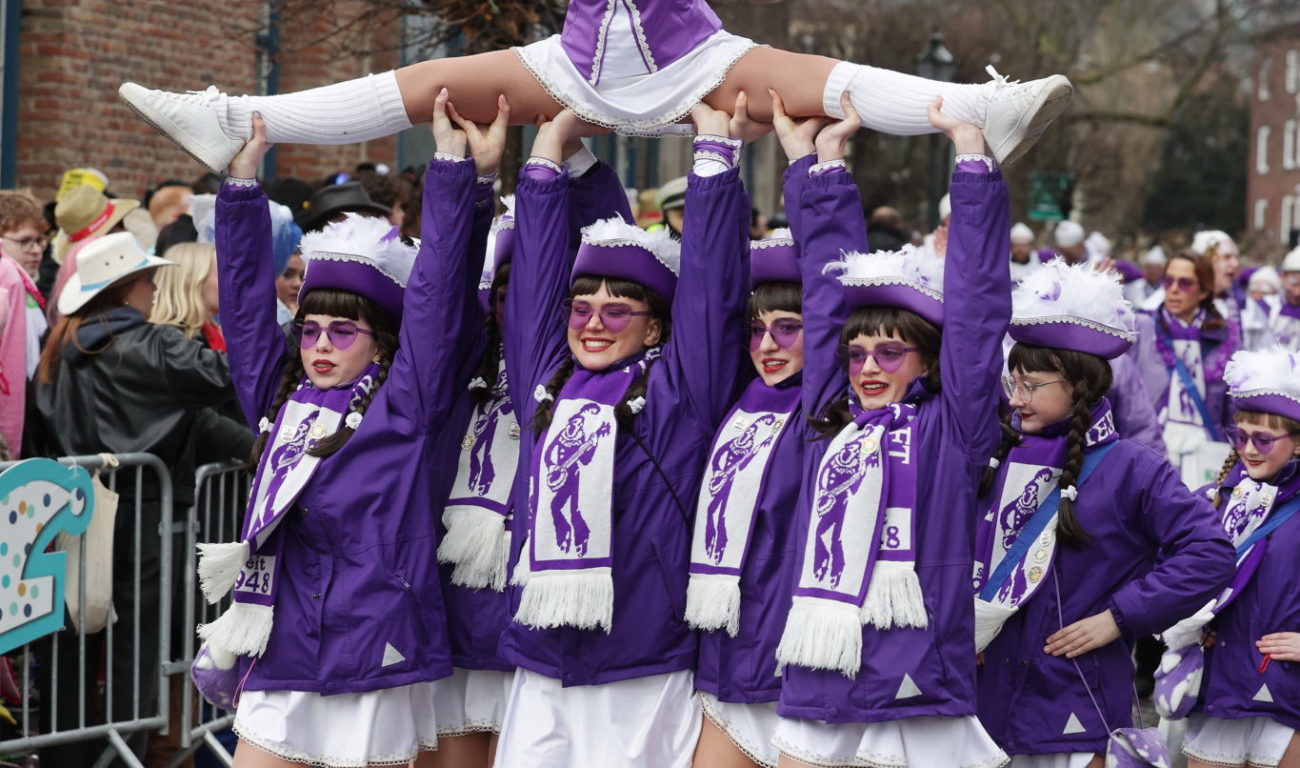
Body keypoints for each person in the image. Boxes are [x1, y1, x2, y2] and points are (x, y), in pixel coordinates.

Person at [190, 102, 506, 766]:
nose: (320, 346)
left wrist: (451, 169)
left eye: (343, 331)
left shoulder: (407, 404)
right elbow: (247, 314)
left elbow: (438, 297)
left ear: (382, 343)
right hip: (283, 640)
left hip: (376, 646)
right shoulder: (282, 402)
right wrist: (243, 187)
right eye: (309, 329)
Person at [494, 100, 749, 767]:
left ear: (656, 328)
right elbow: (531, 292)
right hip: (542, 663)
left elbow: (711, 289)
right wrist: (547, 151)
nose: (594, 323)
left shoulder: (679, 394)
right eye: (581, 308)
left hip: (643, 665)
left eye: (618, 309)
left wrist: (714, 156)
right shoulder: (544, 386)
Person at [120, 0, 1072, 173]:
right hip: (575, 61)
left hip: (692, 57)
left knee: (827, 85)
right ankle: (238, 119)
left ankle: (979, 108)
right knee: (423, 86)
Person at [771, 98, 1009, 768]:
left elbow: (977, 312)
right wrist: (825, 169)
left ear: (929, 361)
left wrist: (969, 158)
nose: (867, 368)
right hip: (823, 663)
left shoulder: (953, 427)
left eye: (889, 353)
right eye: (858, 354)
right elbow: (824, 300)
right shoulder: (829, 420)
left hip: (915, 681)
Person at [974, 259, 1234, 767]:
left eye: (1031, 385)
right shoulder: (994, 455)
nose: (1016, 398)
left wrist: (1121, 617)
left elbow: (1210, 553)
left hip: (1079, 703)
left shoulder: (1133, 467)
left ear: (1077, 384)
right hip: (984, 702)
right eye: (1013, 383)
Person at [30, 232, 242, 767]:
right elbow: (225, 376)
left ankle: (71, 756)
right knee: (134, 647)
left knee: (70, 641)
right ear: (127, 290)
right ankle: (123, 754)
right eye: (147, 280)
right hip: (140, 512)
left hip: (67, 512)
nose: (154, 289)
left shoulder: (61, 345)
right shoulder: (150, 344)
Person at [688, 172, 809, 768]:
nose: (768, 344)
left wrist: (811, 165)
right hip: (724, 662)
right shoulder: (733, 397)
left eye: (788, 328)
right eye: (757, 330)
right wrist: (719, 161)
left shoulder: (832, 412)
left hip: (797, 671)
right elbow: (707, 289)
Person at [1154, 347, 1300, 768]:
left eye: (1264, 439)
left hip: (1287, 689)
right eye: (1241, 436)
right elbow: (1167, 579)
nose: (1249, 449)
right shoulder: (1212, 503)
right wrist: (1190, 626)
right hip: (1217, 686)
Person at [432, 188, 519, 767]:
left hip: (517, 608)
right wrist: (476, 185)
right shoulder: (467, 362)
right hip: (451, 603)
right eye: (510, 293)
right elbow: (443, 293)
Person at [1132, 251, 1235, 487]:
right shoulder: (1142, 329)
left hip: (1206, 455)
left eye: (1185, 283)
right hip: (1153, 451)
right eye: (1168, 280)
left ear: (1204, 291)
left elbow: (1232, 410)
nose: (1174, 289)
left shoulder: (1224, 337)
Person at [0, 191, 50, 456]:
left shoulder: (28, 287)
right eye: (24, 241)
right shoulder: (8, 281)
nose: (36, 250)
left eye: (39, 241)